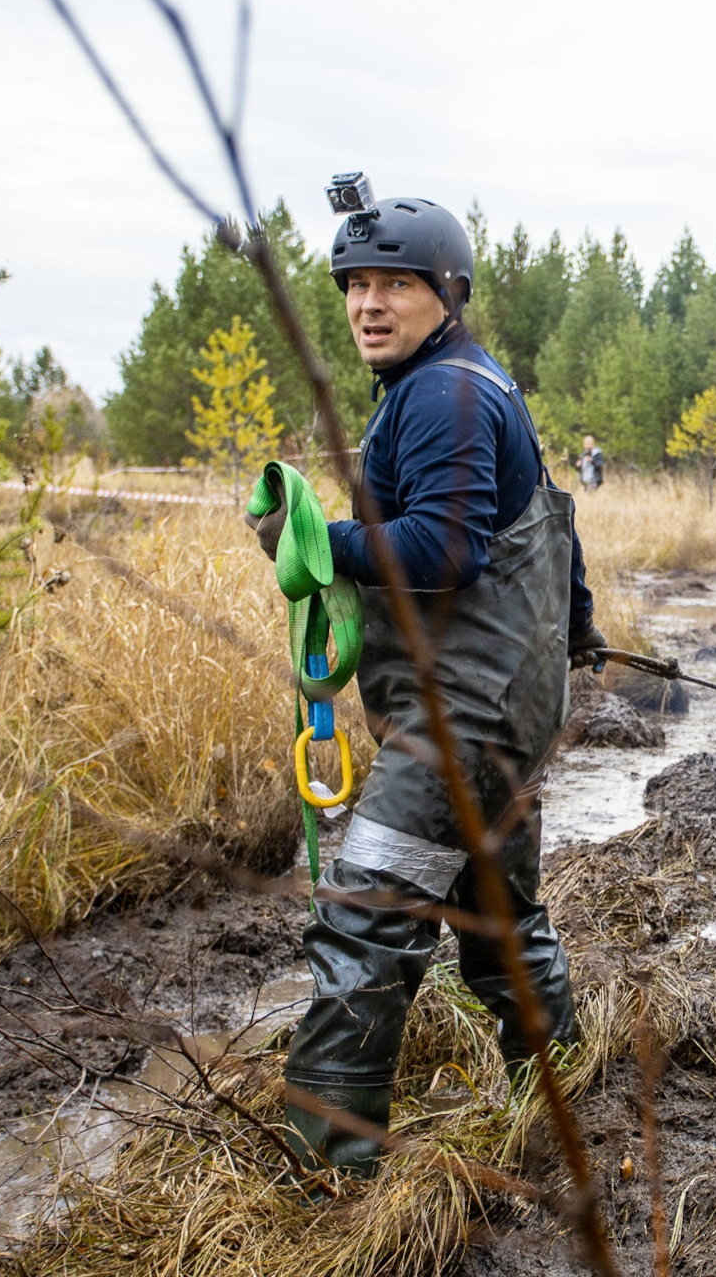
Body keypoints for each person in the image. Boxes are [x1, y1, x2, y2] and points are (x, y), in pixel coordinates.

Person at [246, 190, 608, 1180]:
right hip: (499, 713)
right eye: (355, 284)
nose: (368, 303)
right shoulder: (464, 383)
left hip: (461, 721)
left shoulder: (446, 393)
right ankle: (560, 1075)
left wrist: (313, 541)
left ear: (444, 291)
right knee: (498, 916)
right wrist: (581, 631)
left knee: (365, 917)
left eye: (393, 283)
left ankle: (328, 1170)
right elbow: (553, 527)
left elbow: (441, 548)